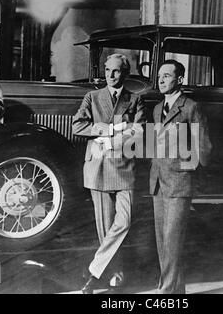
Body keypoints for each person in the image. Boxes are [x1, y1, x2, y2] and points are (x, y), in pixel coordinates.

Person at [72, 53, 146, 294]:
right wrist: (109, 128)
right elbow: (78, 126)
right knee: (105, 229)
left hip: (125, 167)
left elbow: (140, 131)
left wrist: (111, 140)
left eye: (116, 71)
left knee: (123, 222)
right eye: (107, 70)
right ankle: (115, 277)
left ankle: (94, 272)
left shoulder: (135, 100)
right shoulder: (92, 97)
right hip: (98, 168)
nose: (111, 75)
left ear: (125, 73)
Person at [150, 60, 212, 294]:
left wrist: (188, 168)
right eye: (160, 76)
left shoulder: (191, 107)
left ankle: (165, 292)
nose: (162, 80)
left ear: (180, 80)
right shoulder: (157, 108)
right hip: (157, 182)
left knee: (172, 241)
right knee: (162, 243)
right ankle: (177, 291)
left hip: (179, 182)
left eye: (167, 76)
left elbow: (203, 146)